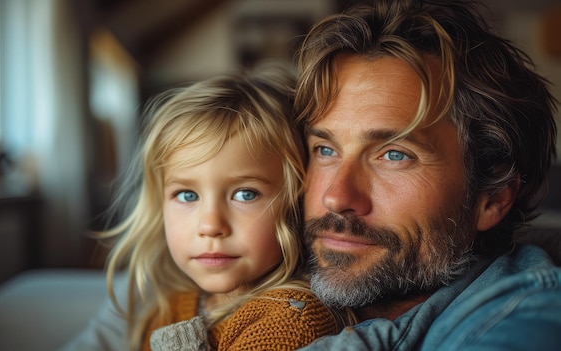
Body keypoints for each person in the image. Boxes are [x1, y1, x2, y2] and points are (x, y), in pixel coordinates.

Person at [293, 0, 561, 349]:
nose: (336, 196)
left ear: (492, 198)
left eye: (394, 155)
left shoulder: (522, 319)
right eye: (325, 150)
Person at [62, 64, 356, 351]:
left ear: (295, 202)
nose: (211, 225)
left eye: (244, 194)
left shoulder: (291, 320)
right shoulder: (173, 301)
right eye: (188, 196)